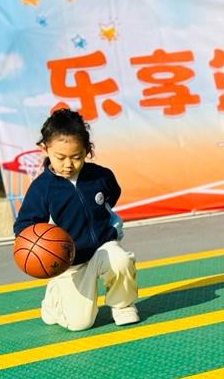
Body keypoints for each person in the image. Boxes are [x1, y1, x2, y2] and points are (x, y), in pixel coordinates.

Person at [14, 108, 139, 331]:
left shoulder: (101, 176)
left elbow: (112, 196)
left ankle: (123, 306)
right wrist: (43, 250)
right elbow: (24, 226)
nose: (68, 164)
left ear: (87, 150)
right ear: (45, 149)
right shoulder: (42, 189)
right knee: (80, 324)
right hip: (69, 263)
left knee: (121, 259)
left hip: (103, 248)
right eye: (60, 157)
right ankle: (55, 298)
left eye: (76, 157)